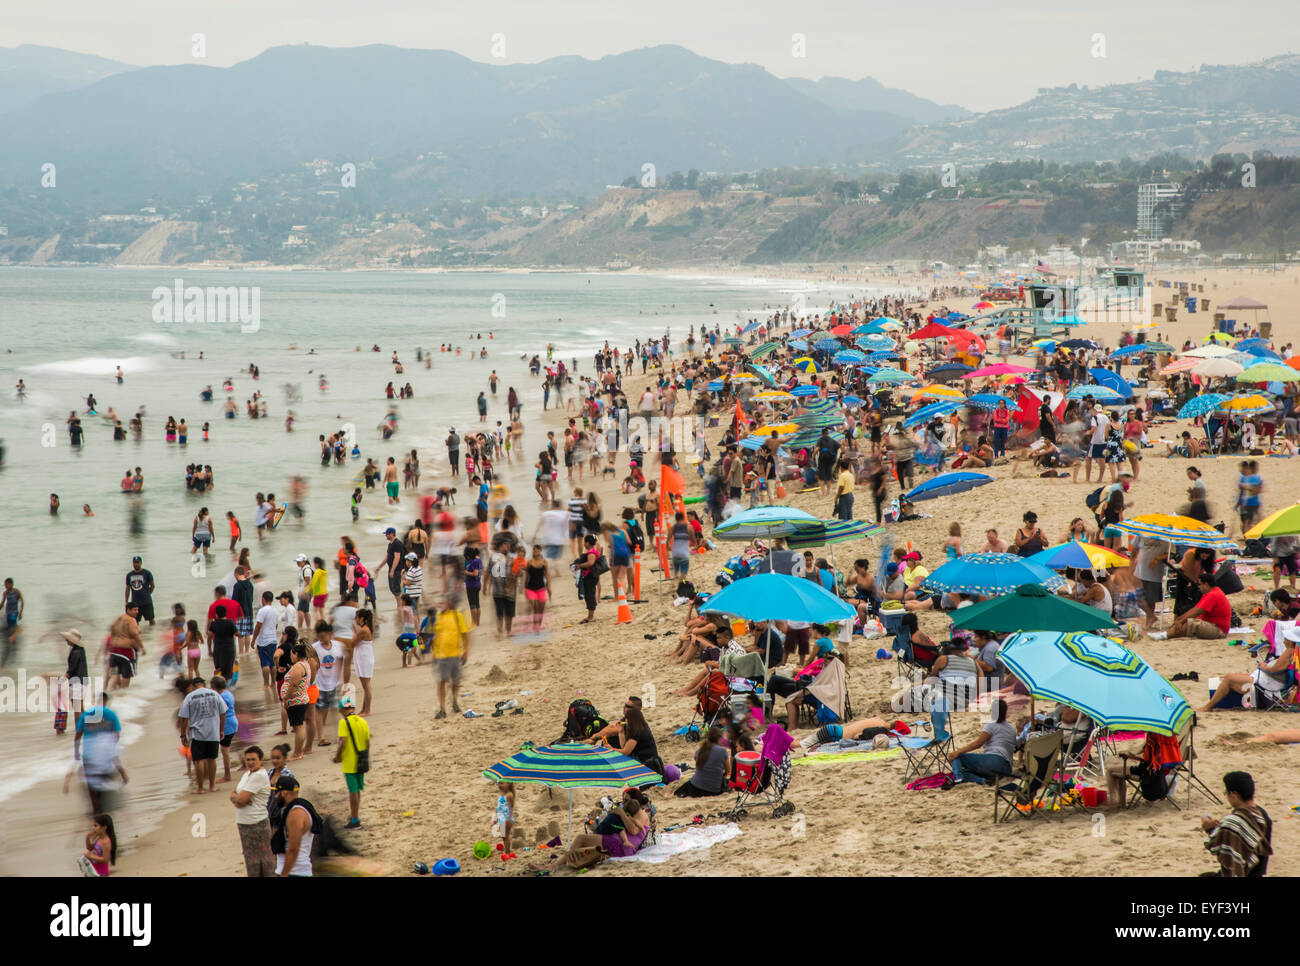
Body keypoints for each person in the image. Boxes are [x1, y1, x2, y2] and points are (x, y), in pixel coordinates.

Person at [1199, 626, 1297, 711]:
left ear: (1291, 640)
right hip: (1271, 680)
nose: (1284, 640)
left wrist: (1264, 666)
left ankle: (1208, 707)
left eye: (1286, 638)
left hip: (1268, 684)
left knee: (1229, 678)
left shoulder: (1290, 651)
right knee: (1231, 677)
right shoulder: (1295, 652)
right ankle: (1210, 704)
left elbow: (1274, 669)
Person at [1202, 771, 1273, 877]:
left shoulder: (1234, 821)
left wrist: (1209, 829)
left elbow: (1217, 848)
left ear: (1234, 795)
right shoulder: (1262, 815)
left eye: (1227, 793)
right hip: (1257, 872)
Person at [177, 676, 227, 794]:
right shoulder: (214, 694)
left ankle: (200, 788)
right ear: (204, 684)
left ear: (193, 686)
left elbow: (184, 718)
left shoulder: (189, 697)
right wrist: (221, 730)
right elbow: (223, 713)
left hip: (197, 734)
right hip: (213, 732)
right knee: (212, 759)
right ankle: (212, 786)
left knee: (199, 760)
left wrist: (183, 735)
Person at [231, 745, 276, 876]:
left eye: (253, 759)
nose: (250, 762)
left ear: (260, 760)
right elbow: (234, 794)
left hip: (256, 823)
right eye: (248, 759)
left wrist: (239, 799)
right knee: (250, 858)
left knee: (263, 859)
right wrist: (238, 798)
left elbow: (240, 799)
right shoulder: (246, 775)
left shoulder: (259, 776)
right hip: (244, 822)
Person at [948, 698, 1015, 785]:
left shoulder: (991, 725)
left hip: (996, 761)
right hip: (1007, 768)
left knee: (956, 757)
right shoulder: (1011, 728)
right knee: (963, 770)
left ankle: (958, 779)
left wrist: (958, 752)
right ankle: (982, 780)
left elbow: (978, 743)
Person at [270, 774, 320, 877]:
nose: (275, 797)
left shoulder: (295, 815)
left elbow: (293, 849)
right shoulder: (302, 808)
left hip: (295, 871)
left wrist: (284, 874)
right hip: (298, 869)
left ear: (284, 793)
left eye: (276, 793)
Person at [334, 689, 370, 829]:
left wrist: (338, 757)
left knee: (353, 791)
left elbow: (343, 742)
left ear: (342, 710)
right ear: (353, 708)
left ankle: (355, 820)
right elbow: (367, 743)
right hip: (362, 760)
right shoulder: (362, 721)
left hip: (350, 762)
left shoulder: (344, 723)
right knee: (357, 790)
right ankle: (355, 814)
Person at [432, 599, 472, 720]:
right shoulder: (437, 618)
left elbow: (465, 634)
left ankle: (455, 701)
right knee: (442, 681)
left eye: (444, 602)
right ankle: (443, 709)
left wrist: (465, 651)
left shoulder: (456, 616)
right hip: (441, 655)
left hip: (455, 653)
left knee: (456, 680)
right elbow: (434, 638)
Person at [1165, 571, 1230, 640]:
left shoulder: (1213, 595)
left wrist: (1180, 621)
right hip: (1213, 625)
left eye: (1199, 584)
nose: (1198, 587)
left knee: (1191, 624)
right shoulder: (1210, 593)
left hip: (1219, 630)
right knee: (1184, 621)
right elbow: (1195, 609)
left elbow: (1196, 612)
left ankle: (1165, 635)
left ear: (1206, 584)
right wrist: (1179, 620)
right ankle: (1167, 634)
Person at [673, 725, 729, 797]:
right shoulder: (723, 751)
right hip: (714, 790)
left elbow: (699, 765)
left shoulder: (700, 751)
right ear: (719, 739)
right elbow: (728, 770)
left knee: (678, 791)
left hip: (696, 788)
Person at [106, 601, 144, 690]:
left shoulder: (119, 618)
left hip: (114, 652)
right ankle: (124, 695)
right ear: (128, 610)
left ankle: (116, 693)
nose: (137, 612)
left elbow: (111, 629)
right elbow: (135, 634)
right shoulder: (131, 620)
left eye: (137, 610)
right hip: (126, 652)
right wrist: (142, 647)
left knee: (116, 674)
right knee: (127, 675)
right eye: (134, 610)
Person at [124, 556, 156, 626]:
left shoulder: (147, 573)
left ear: (141, 563)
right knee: (135, 622)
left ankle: (152, 633)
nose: (136, 564)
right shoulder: (129, 575)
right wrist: (126, 601)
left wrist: (148, 593)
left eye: (137, 562)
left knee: (151, 620)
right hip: (135, 603)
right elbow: (127, 588)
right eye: (134, 563)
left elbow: (153, 585)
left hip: (146, 601)